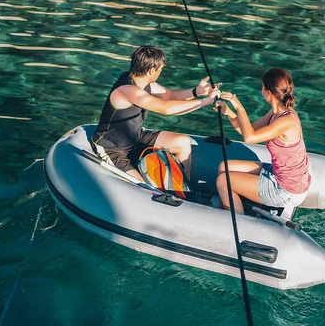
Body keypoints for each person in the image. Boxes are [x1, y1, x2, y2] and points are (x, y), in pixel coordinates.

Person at [92, 45, 220, 181]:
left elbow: (169, 95)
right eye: (160, 69)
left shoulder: (142, 81)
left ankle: (183, 189)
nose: (160, 71)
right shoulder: (128, 90)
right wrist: (206, 101)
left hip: (135, 139)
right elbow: (166, 108)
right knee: (143, 188)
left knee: (182, 142)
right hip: (112, 149)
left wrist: (197, 92)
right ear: (151, 70)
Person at [214, 68, 311, 214]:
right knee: (224, 167)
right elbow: (247, 130)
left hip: (286, 190)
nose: (261, 90)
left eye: (262, 87)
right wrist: (228, 111)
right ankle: (227, 208)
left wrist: (239, 106)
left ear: (268, 92)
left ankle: (240, 221)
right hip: (278, 174)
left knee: (223, 181)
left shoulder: (287, 121)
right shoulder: (275, 113)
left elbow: (250, 138)